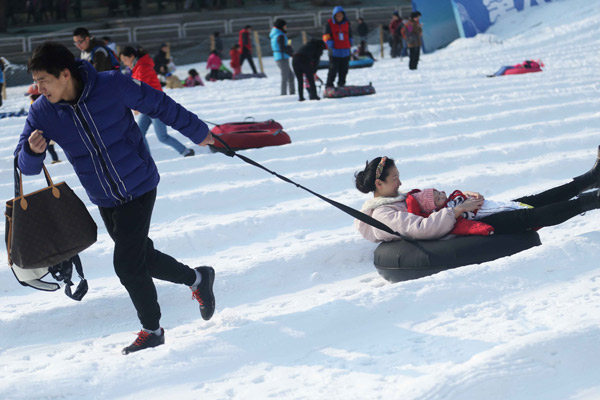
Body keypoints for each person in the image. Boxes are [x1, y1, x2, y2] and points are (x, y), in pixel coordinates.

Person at [15, 42, 217, 355]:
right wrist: (32, 151)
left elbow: (160, 105)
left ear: (65, 74)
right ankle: (198, 277)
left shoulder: (112, 85)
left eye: (44, 80)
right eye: (36, 81)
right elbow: (24, 165)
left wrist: (198, 131)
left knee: (126, 264)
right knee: (141, 257)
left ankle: (153, 329)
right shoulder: (43, 111)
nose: (38, 88)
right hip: (104, 197)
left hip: (138, 183)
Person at [354, 153, 600, 242]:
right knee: (530, 214)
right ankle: (593, 200)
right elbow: (420, 228)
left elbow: (431, 203)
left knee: (531, 199)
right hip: (465, 228)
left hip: (466, 214)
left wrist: (459, 197)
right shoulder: (384, 214)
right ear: (379, 183)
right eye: (395, 178)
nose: (400, 182)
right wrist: (458, 211)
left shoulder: (397, 198)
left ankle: (589, 179)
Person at [120, 46, 195, 157]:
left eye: (125, 60)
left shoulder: (142, 68)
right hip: (147, 108)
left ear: (132, 56)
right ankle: (147, 158)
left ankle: (186, 151)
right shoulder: (138, 68)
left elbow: (141, 90)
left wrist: (135, 106)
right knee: (139, 133)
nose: (125, 64)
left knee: (162, 137)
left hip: (156, 107)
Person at [25, 84, 62, 164]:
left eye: (31, 96)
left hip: (48, 132)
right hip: (44, 132)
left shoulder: (42, 107)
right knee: (49, 148)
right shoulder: (36, 106)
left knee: (50, 147)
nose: (29, 98)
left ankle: (55, 159)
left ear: (35, 97)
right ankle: (54, 159)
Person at [322, 6, 353, 88]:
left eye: (340, 15)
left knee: (344, 70)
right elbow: (325, 36)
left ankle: (341, 84)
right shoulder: (329, 24)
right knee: (333, 70)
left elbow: (350, 34)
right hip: (334, 52)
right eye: (337, 15)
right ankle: (329, 85)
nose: (339, 17)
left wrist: (350, 42)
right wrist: (330, 43)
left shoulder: (347, 23)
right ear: (334, 16)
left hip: (345, 51)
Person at [270, 18, 295, 96]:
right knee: (285, 77)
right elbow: (282, 48)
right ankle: (283, 94)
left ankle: (292, 93)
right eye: (285, 25)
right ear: (281, 26)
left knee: (290, 76)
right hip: (282, 58)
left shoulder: (276, 34)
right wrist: (291, 52)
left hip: (280, 57)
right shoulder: (280, 35)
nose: (286, 27)